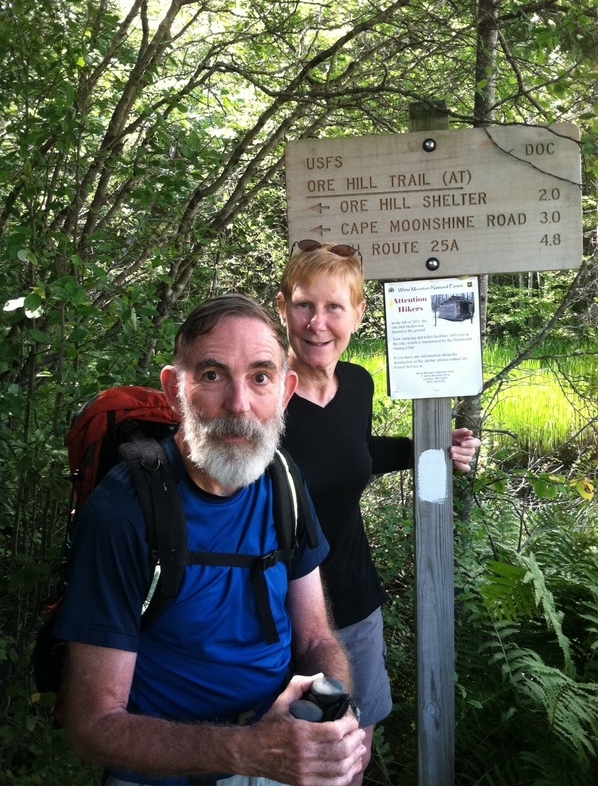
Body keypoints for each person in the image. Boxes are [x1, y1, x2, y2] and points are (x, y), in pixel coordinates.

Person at [54, 294, 366, 786]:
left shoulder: (283, 481)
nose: (239, 406)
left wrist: (336, 720)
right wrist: (249, 751)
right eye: (212, 375)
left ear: (285, 391)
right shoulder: (124, 511)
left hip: (280, 754)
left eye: (260, 377)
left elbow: (314, 638)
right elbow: (93, 725)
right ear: (175, 388)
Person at [277, 240, 481, 784]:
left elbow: (355, 455)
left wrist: (434, 445)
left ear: (360, 314)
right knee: (287, 757)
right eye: (304, 305)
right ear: (282, 309)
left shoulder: (358, 385)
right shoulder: (264, 395)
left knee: (352, 753)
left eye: (334, 307)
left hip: (354, 602)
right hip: (273, 613)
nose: (317, 323)